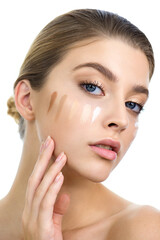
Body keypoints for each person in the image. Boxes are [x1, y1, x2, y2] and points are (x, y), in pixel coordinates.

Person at [0, 8, 159, 240]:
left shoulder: (142, 230)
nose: (121, 120)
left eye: (133, 104)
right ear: (27, 99)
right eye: (93, 87)